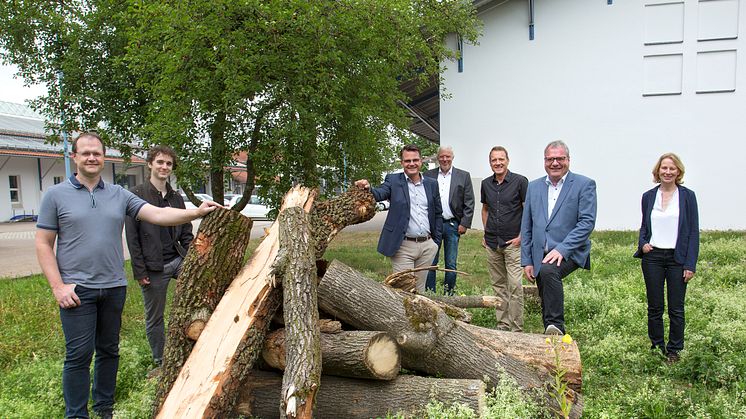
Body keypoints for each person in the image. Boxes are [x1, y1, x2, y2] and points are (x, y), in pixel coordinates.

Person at [35, 132, 219, 419]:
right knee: (79, 356)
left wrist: (196, 212)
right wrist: (58, 287)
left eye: (97, 153)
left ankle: (104, 409)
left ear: (104, 157)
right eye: (85, 153)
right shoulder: (56, 196)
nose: (92, 157)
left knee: (109, 351)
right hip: (77, 290)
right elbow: (43, 243)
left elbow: (158, 215)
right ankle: (76, 415)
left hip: (113, 287)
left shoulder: (119, 194)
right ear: (75, 157)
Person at [125, 145, 192, 369]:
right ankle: (161, 360)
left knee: (200, 296)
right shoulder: (136, 195)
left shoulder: (176, 197)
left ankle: (192, 348)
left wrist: (192, 259)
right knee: (155, 317)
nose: (164, 167)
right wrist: (139, 271)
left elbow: (186, 230)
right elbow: (132, 237)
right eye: (160, 162)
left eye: (169, 164)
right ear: (150, 164)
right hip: (154, 267)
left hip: (178, 260)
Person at [521, 140, 596, 335]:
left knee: (547, 271)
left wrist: (562, 249)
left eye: (560, 158)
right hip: (540, 252)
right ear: (544, 161)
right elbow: (527, 225)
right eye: (550, 159)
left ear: (568, 160)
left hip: (570, 251)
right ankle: (550, 331)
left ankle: (556, 326)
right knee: (544, 286)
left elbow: (586, 223)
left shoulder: (584, 184)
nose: (555, 163)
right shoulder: (534, 187)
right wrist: (527, 260)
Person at [634, 153, 698, 363]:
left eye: (672, 169)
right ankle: (657, 347)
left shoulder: (688, 196)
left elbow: (693, 232)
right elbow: (645, 225)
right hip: (653, 257)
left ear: (678, 172)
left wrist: (690, 264)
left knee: (676, 308)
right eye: (664, 168)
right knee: (655, 306)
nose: (668, 172)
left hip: (677, 258)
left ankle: (674, 350)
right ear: (658, 171)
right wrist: (643, 243)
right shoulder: (648, 196)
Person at [355, 144, 443, 293]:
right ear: (402, 163)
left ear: (421, 161)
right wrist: (368, 188)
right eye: (407, 161)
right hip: (403, 247)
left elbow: (438, 213)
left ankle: (419, 317)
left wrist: (436, 241)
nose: (412, 164)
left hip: (427, 246)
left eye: (415, 160)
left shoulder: (432, 184)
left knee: (420, 291)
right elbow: (379, 193)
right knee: (404, 292)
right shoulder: (393, 181)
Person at [481, 146, 528, 331]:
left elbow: (528, 211)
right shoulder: (486, 184)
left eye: (501, 159)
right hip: (493, 244)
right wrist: (486, 233)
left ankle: (517, 327)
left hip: (513, 243)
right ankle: (503, 324)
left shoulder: (520, 182)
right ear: (490, 163)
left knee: (515, 285)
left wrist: (522, 236)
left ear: (507, 160)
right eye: (494, 160)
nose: (498, 163)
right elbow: (485, 209)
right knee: (498, 286)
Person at [423, 146, 475, 295]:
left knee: (451, 263)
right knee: (431, 261)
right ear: (437, 158)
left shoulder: (463, 176)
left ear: (452, 157)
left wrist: (464, 223)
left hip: (453, 225)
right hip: (434, 225)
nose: (445, 159)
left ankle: (449, 295)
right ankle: (430, 294)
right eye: (442, 157)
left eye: (448, 156)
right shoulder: (428, 175)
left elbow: (469, 201)